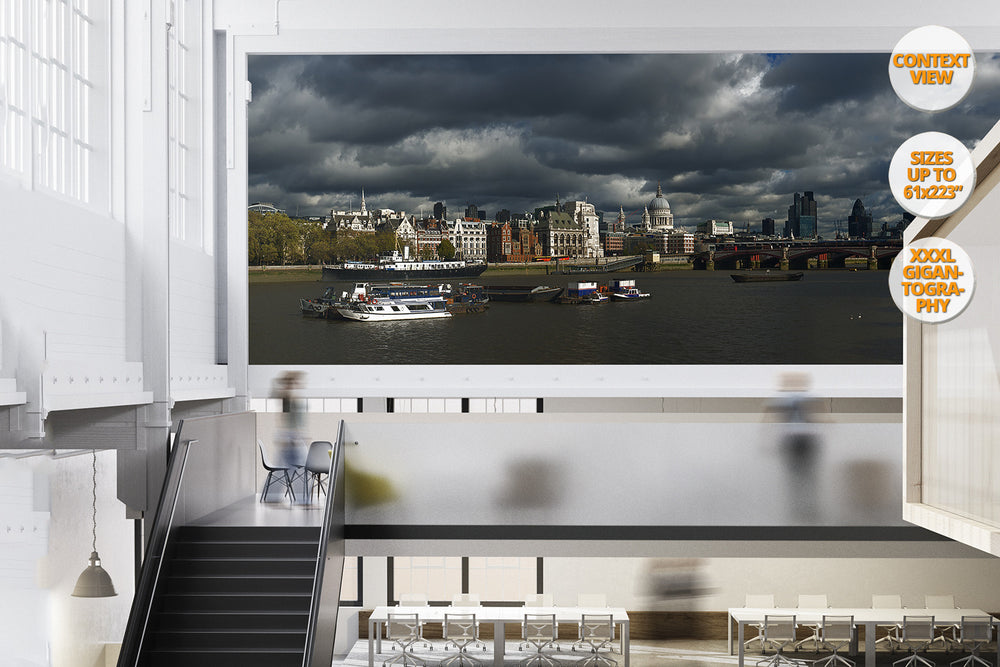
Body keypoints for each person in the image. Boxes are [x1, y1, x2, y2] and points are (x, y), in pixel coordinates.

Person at [274, 370, 308, 502]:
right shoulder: (290, 398)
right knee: (301, 470)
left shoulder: (288, 397)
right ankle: (303, 501)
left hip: (291, 438)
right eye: (297, 380)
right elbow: (287, 420)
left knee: (284, 471)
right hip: (292, 439)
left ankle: (273, 499)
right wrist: (296, 437)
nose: (300, 383)